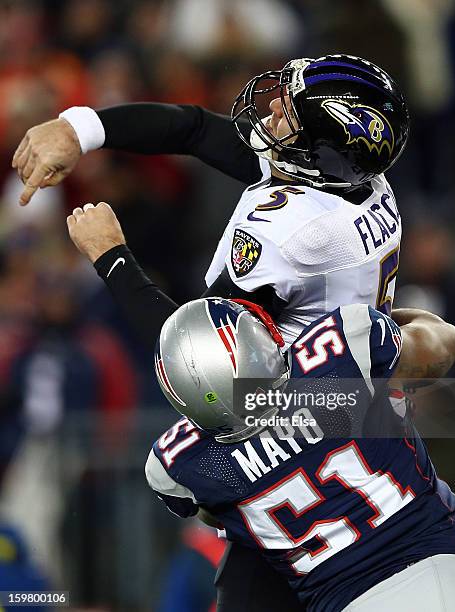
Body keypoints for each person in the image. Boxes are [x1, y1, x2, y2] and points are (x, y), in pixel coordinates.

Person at [19, 54, 411, 610]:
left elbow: (200, 360)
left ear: (325, 144)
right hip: (354, 438)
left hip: (293, 458)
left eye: (292, 112)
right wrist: (79, 128)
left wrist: (110, 256)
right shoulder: (364, 186)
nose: (274, 109)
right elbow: (196, 128)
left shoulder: (290, 232)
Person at [66, 202, 455, 612]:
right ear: (260, 340)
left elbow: (222, 513)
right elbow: (446, 345)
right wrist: (383, 336)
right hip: (439, 565)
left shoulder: (176, 465)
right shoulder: (344, 344)